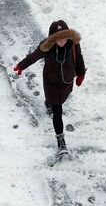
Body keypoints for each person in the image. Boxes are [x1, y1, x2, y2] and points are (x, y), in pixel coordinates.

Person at [13, 20, 86, 154]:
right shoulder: (47, 47)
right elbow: (33, 57)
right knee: (57, 111)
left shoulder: (74, 44)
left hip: (67, 81)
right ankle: (61, 143)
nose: (62, 42)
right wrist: (21, 66)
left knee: (58, 102)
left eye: (64, 38)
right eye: (59, 39)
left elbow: (79, 58)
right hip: (51, 82)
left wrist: (81, 73)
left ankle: (49, 103)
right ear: (53, 39)